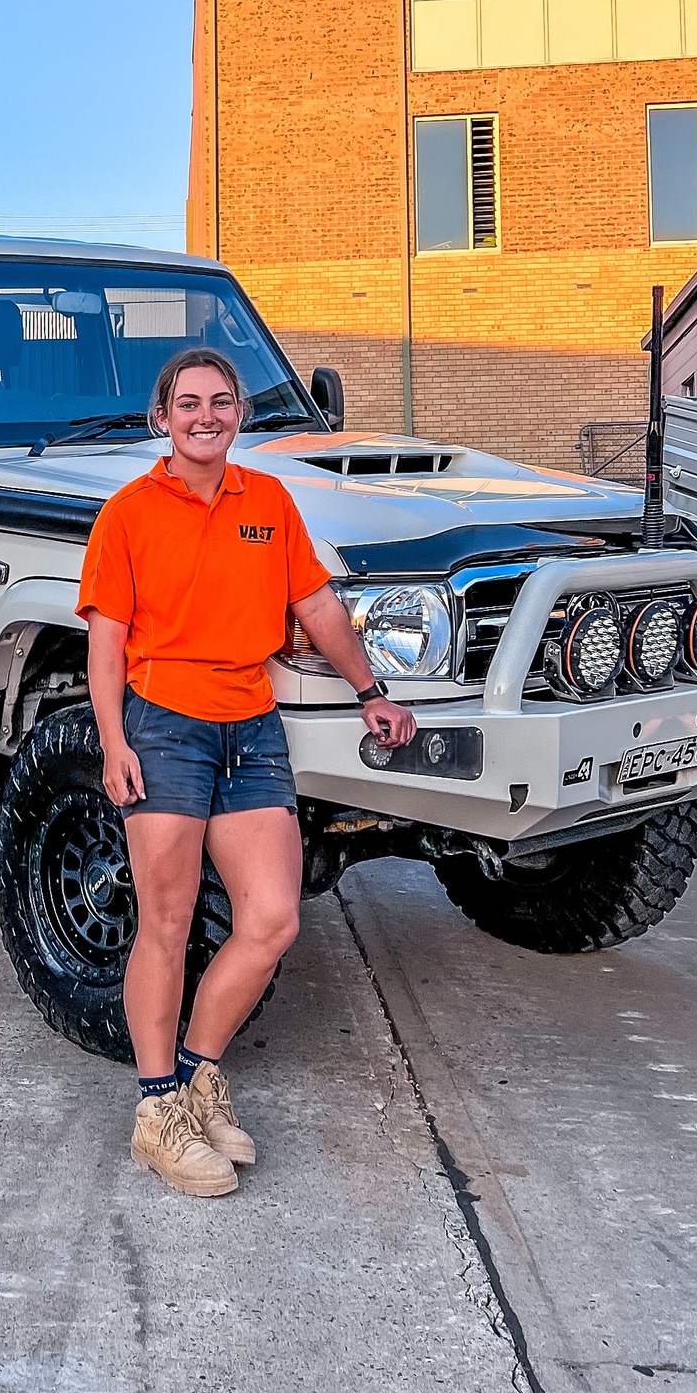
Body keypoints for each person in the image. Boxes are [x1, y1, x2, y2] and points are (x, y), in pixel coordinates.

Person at [77, 347, 418, 1198]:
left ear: (239, 415)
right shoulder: (127, 513)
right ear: (163, 418)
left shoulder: (267, 500)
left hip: (250, 729)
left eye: (221, 402)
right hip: (163, 726)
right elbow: (106, 642)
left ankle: (197, 1076)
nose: (205, 416)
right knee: (167, 918)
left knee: (270, 920)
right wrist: (115, 743)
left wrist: (370, 688)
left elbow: (315, 608)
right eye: (187, 403)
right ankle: (157, 1113)